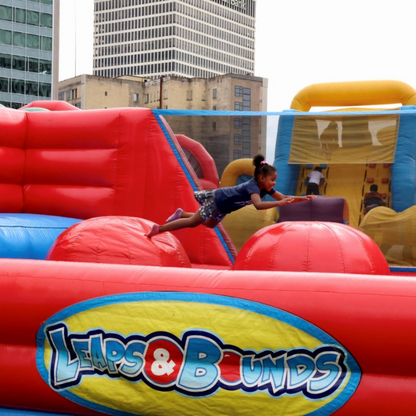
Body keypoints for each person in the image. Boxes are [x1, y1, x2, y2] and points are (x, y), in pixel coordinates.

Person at [147, 154, 314, 237]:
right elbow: (258, 205)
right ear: (262, 178)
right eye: (273, 180)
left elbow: (281, 196)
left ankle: (181, 213)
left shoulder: (265, 187)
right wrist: (279, 204)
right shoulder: (253, 186)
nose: (274, 183)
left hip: (224, 207)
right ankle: (159, 229)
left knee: (210, 224)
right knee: (193, 223)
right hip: (218, 200)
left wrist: (301, 198)